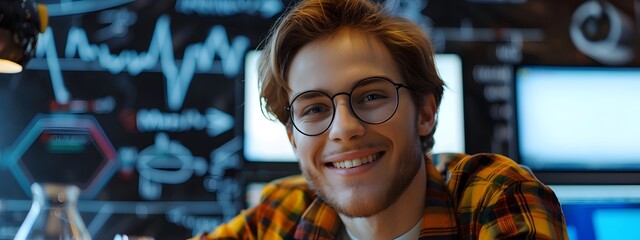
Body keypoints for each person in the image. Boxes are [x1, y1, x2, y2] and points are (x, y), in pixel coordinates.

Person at [198, 0, 568, 239]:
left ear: (425, 112)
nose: (344, 128)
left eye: (371, 96)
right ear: (293, 137)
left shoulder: (494, 195)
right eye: (314, 108)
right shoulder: (282, 212)